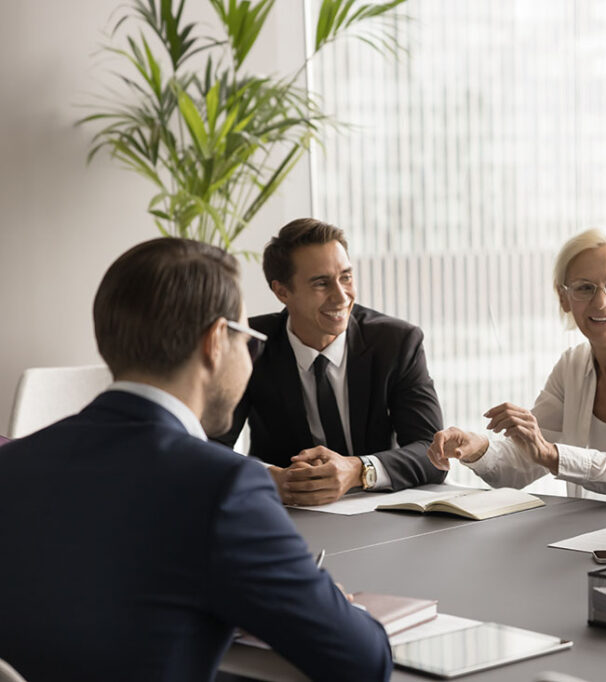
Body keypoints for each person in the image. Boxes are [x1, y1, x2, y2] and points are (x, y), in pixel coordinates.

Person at [0, 238, 391, 680]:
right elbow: (362, 661)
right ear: (216, 343)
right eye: (249, 341)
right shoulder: (224, 487)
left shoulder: (13, 464)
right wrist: (325, 600)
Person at [427, 228, 606, 507]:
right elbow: (526, 460)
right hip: (592, 541)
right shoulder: (571, 366)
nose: (601, 302)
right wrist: (477, 447)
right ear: (564, 298)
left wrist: (553, 455)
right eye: (585, 288)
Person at [215, 218, 446, 506]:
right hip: (284, 510)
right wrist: (269, 478)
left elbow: (433, 453)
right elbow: (210, 447)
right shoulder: (249, 344)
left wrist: (359, 470)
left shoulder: (397, 342)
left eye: (346, 277)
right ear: (282, 291)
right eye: (322, 283)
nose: (341, 296)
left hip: (380, 512)